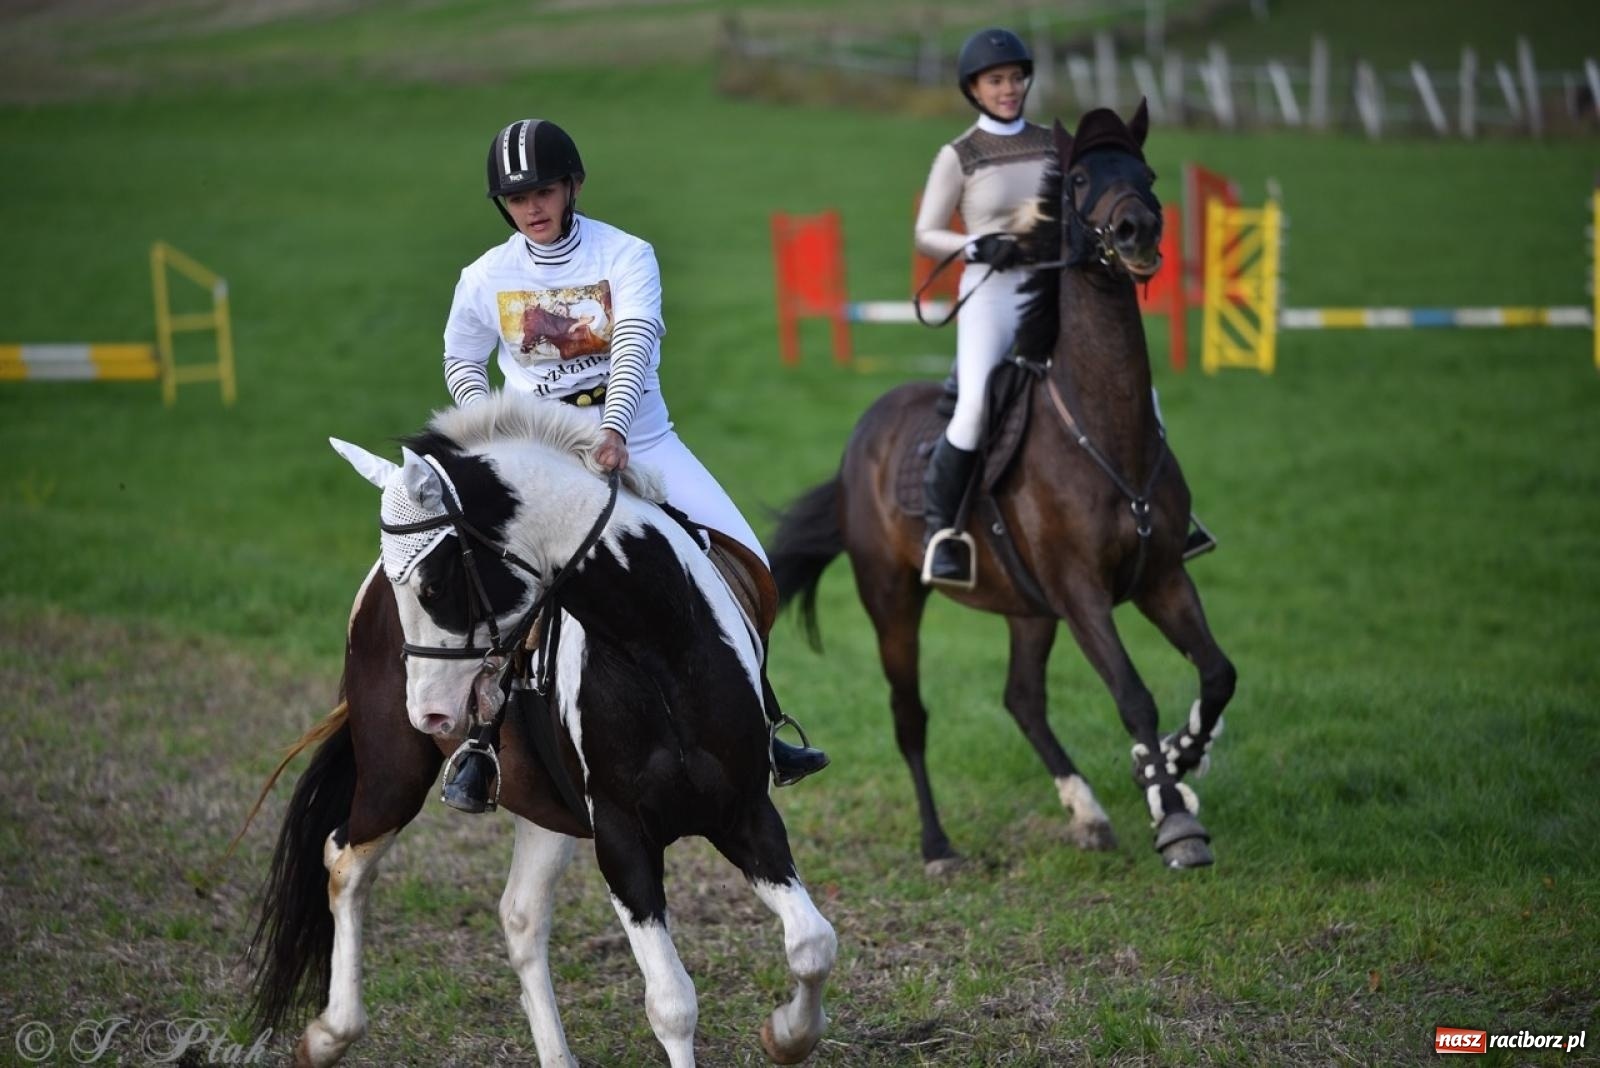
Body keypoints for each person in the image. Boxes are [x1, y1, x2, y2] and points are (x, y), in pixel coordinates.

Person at [437, 118, 827, 809]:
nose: (532, 207)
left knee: (742, 568)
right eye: (516, 197)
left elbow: (635, 343)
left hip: (642, 442)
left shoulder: (626, 254)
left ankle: (762, 724)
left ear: (573, 186)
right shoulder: (485, 278)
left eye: (545, 190)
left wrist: (613, 428)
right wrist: (491, 427)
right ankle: (480, 742)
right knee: (498, 587)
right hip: (542, 462)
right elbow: (462, 361)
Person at [914, 30, 1216, 589]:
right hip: (994, 292)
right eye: (995, 80)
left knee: (1135, 390)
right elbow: (925, 232)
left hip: (1058, 288)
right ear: (974, 89)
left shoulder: (1057, 146)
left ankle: (1171, 513)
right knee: (977, 406)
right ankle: (944, 533)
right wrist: (975, 245)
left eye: (1016, 78)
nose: (1009, 89)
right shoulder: (958, 156)